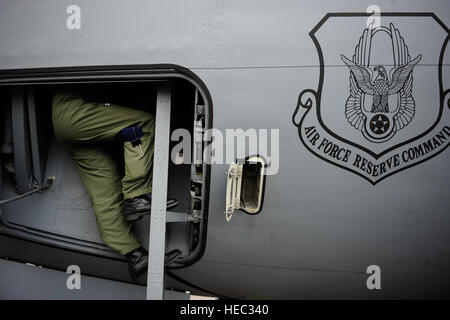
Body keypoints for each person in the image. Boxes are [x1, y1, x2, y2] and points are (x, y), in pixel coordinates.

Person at [52, 90, 178, 279]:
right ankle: (135, 196)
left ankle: (135, 256)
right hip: (72, 110)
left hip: (66, 124)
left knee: (105, 184)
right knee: (141, 124)